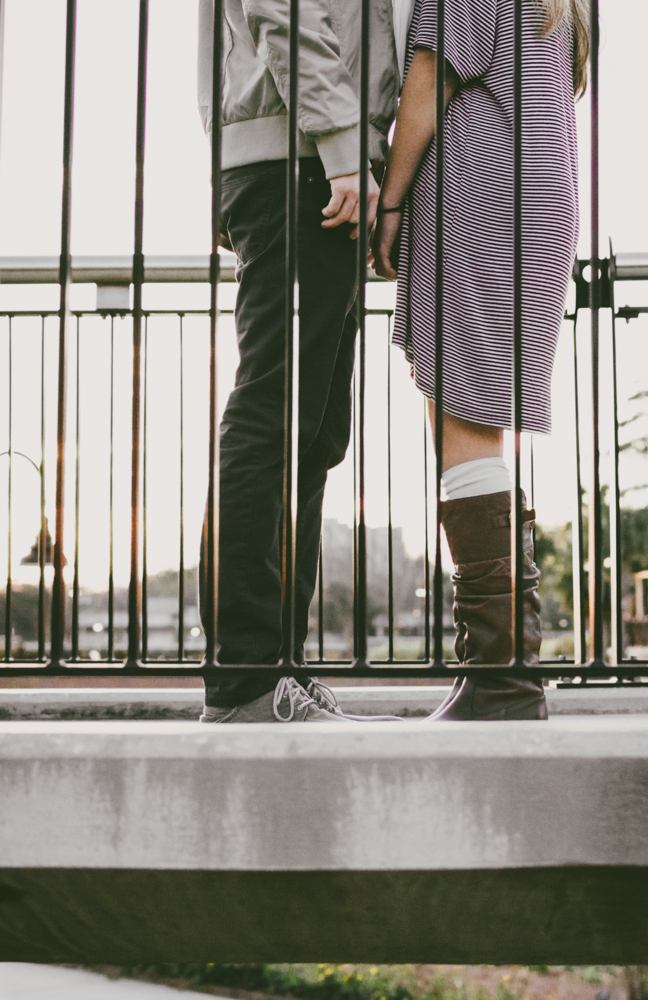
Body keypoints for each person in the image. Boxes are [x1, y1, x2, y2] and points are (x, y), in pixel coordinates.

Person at [373, 0, 587, 720]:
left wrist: (391, 201)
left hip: (481, 188)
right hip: (538, 188)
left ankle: (499, 676)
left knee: (464, 419)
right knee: (479, 420)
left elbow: (430, 77)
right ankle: (502, 668)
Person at [196, 0, 403, 723]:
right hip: (304, 156)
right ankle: (246, 680)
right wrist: (346, 147)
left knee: (311, 434)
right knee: (274, 416)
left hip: (312, 155)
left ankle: (276, 668)